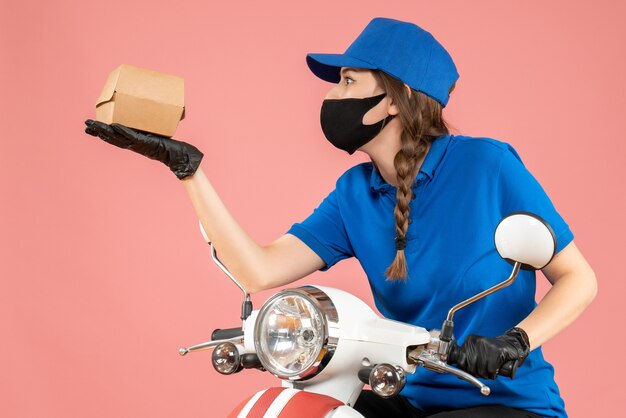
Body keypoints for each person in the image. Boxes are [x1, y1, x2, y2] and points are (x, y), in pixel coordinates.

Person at [84, 17, 596, 418]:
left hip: (500, 402)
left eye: (348, 80)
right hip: (406, 396)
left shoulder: (487, 165)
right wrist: (187, 170)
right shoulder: (355, 193)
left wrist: (516, 341)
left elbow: (578, 279)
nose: (331, 95)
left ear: (393, 100)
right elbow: (258, 270)